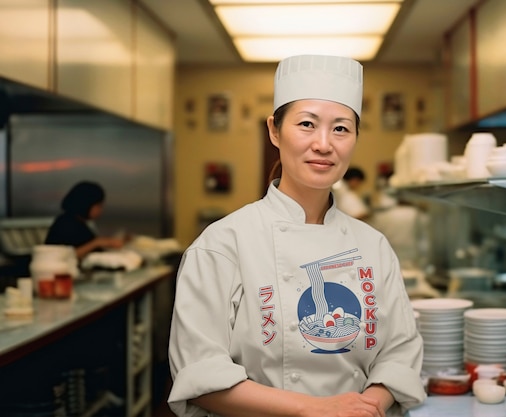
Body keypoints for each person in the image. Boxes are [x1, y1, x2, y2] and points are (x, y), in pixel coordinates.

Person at [167, 54, 426, 417]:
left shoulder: (373, 246)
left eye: (340, 128)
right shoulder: (222, 244)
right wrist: (314, 409)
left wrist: (362, 409)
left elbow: (399, 353)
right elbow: (200, 375)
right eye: (307, 124)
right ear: (274, 130)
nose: (324, 144)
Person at [45, 181, 126, 259]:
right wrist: (97, 243)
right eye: (99, 206)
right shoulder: (65, 224)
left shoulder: (79, 223)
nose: (101, 210)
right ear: (86, 204)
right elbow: (67, 257)